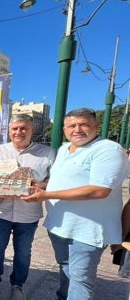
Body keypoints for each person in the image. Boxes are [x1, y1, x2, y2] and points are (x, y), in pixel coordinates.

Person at [24, 108, 129, 299]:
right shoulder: (64, 149)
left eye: (84, 124)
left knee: (81, 279)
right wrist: (43, 185)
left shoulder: (108, 149)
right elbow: (64, 181)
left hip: (89, 230)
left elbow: (99, 190)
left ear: (96, 126)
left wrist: (47, 194)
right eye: (72, 125)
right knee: (65, 268)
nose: (77, 129)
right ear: (64, 129)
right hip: (59, 225)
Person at [0, 114, 55, 300]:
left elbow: (56, 183)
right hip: (0, 210)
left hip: (29, 213)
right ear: (9, 131)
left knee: (23, 252)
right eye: (15, 128)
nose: (19, 132)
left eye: (24, 128)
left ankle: (17, 285)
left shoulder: (47, 153)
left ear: (32, 130)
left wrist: (39, 185)